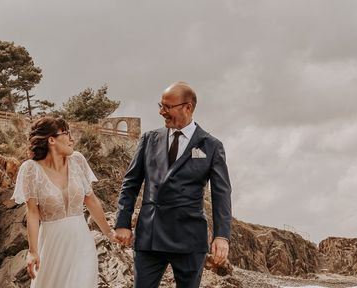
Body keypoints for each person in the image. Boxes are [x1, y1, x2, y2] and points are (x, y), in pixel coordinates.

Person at [115, 82, 232, 288]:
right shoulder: (149, 139)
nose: (162, 111)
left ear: (187, 107)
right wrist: (122, 222)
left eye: (167, 107)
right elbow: (131, 183)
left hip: (189, 237)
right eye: (160, 105)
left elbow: (221, 194)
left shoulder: (211, 145)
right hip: (149, 235)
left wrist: (221, 236)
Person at [12, 117, 117, 287]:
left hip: (82, 242)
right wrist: (33, 252)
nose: (72, 139)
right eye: (67, 134)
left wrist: (109, 233)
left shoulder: (77, 160)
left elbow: (91, 200)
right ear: (51, 139)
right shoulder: (30, 169)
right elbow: (32, 213)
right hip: (52, 246)